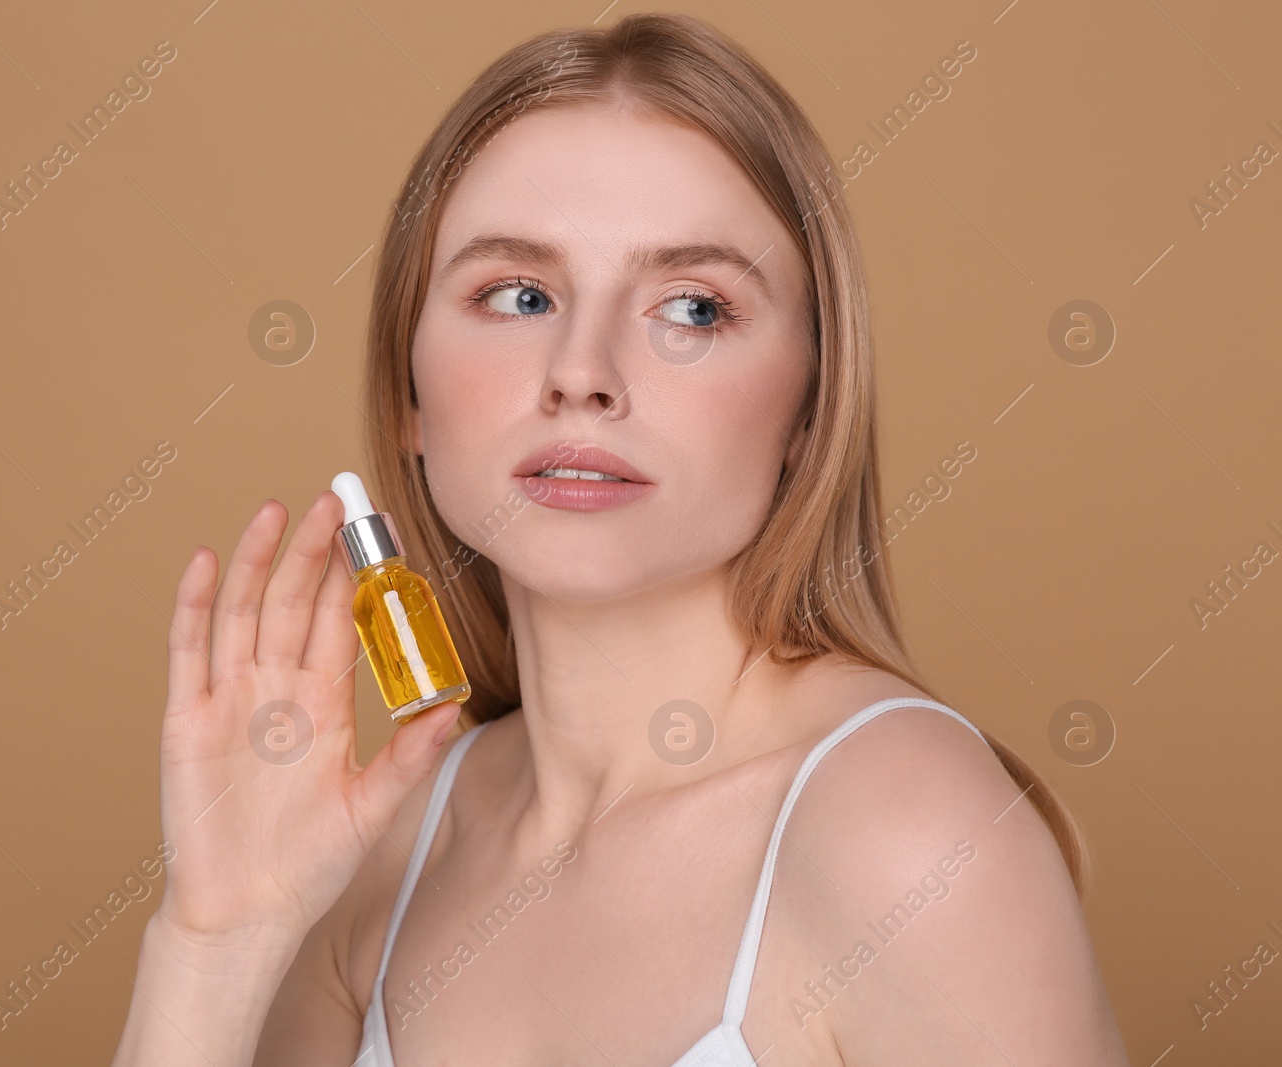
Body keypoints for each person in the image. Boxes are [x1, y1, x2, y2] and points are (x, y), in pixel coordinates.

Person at [111, 13, 1130, 1065]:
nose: (581, 370)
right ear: (406, 392)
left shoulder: (907, 832)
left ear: (809, 408)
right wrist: (217, 941)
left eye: (692, 307)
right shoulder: (381, 850)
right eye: (518, 294)